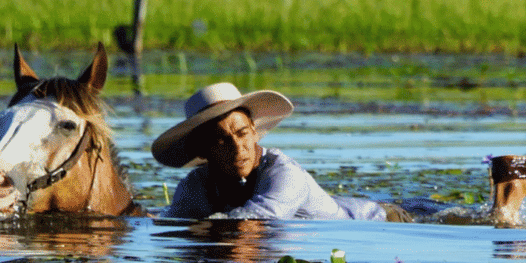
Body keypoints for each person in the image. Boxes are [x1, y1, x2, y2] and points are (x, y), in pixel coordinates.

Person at [152, 82, 390, 221]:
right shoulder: (194, 186)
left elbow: (254, 223)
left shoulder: (286, 175)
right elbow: (176, 222)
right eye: (222, 140)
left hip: (371, 220)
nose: (237, 147)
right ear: (202, 150)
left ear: (255, 131)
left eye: (242, 133)